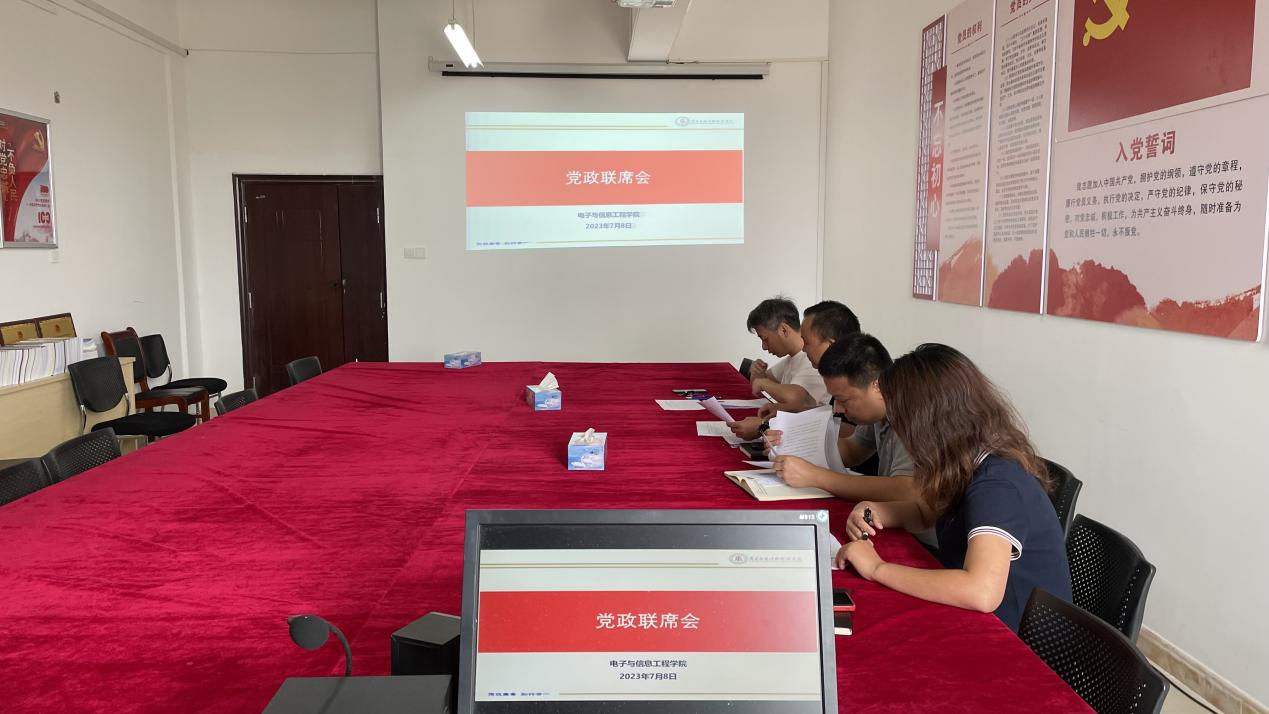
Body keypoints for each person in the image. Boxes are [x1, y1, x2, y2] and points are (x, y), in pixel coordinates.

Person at [835, 344, 1071, 632]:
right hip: (979, 617)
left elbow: (981, 591)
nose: (898, 431)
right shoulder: (964, 461)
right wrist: (878, 511)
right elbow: (926, 514)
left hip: (1014, 637)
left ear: (925, 423)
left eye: (900, 420)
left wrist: (877, 568)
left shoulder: (997, 484)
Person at [767, 333, 922, 507]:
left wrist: (817, 477)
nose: (838, 409)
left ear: (877, 385)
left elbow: (907, 490)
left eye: (844, 400)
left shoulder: (914, 413)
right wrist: (790, 443)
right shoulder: (879, 411)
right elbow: (851, 451)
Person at [728, 300, 855, 440]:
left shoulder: (854, 378)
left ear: (830, 346)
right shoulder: (838, 374)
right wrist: (787, 410)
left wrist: (765, 426)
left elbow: (849, 432)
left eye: (807, 343)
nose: (803, 349)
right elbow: (830, 417)